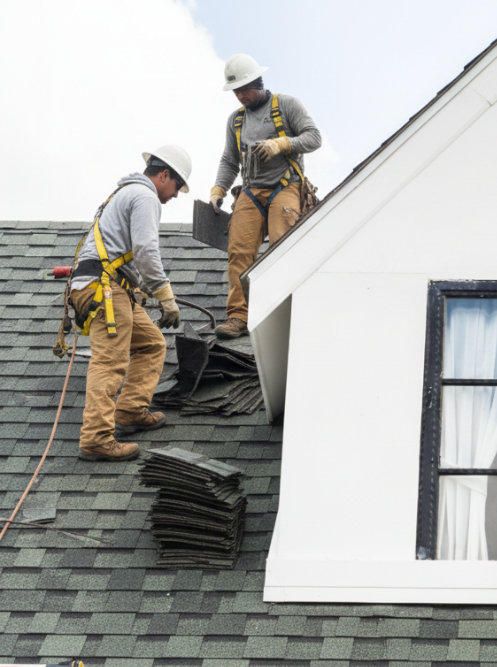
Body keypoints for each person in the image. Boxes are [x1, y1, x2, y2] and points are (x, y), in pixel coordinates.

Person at [69, 146, 191, 461]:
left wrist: (139, 288)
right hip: (104, 290)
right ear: (164, 175)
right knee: (110, 362)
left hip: (105, 286)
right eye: (177, 186)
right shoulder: (146, 196)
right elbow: (146, 249)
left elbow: (123, 252)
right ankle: (96, 439)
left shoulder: (123, 193)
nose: (175, 195)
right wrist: (165, 295)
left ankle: (130, 409)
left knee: (151, 343)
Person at [209, 53, 322, 338]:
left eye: (244, 89)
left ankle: (281, 312)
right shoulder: (235, 121)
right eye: (235, 91)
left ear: (257, 83)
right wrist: (219, 188)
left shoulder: (285, 105)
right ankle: (238, 316)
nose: (240, 96)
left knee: (282, 248)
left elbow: (314, 137)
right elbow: (229, 160)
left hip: (285, 186)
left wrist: (282, 144)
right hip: (251, 190)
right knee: (239, 251)